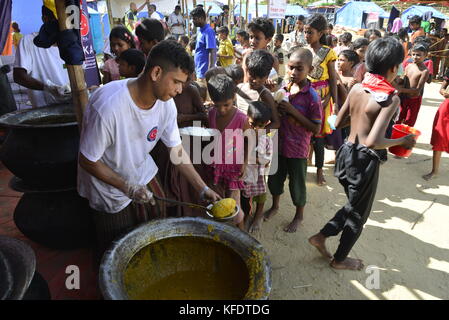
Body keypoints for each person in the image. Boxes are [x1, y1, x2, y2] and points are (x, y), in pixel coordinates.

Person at [78, 40, 220, 256]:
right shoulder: (108, 107)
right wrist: (127, 187)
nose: (180, 90)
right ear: (156, 73)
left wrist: (202, 188)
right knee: (118, 247)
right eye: (176, 82)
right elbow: (87, 160)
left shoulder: (166, 105)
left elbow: (176, 150)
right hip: (108, 187)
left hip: (141, 171)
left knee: (155, 223)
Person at [309, 37, 416, 270]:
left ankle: (322, 236)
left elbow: (337, 121)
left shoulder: (358, 87)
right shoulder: (390, 98)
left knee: (353, 205)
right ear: (392, 68)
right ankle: (339, 259)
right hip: (364, 162)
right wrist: (404, 139)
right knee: (359, 215)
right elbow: (373, 140)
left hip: (345, 155)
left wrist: (358, 119)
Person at [265, 48, 322, 232]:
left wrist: (292, 111)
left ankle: (299, 215)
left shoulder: (312, 97)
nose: (294, 73)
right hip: (279, 143)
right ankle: (275, 206)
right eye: (291, 68)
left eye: (299, 69)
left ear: (310, 70)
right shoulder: (284, 90)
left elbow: (316, 128)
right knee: (274, 178)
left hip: (298, 148)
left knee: (297, 183)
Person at [207, 74, 249, 229]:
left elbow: (250, 140)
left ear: (234, 97)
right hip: (215, 166)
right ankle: (224, 232)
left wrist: (244, 162)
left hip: (234, 169)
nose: (222, 110)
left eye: (226, 105)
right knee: (218, 203)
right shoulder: (211, 114)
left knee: (234, 206)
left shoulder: (241, 118)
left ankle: (241, 235)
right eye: (217, 105)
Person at [304, 14, 339, 186]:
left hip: (323, 96)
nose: (307, 36)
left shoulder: (328, 52)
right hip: (306, 95)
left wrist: (333, 100)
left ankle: (319, 171)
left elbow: (333, 78)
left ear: (320, 33)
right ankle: (305, 163)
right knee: (305, 132)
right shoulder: (304, 51)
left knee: (318, 136)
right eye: (305, 32)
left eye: (310, 32)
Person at [13, 5, 70, 108]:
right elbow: (18, 76)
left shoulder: (71, 42)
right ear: (45, 19)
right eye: (58, 21)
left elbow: (81, 70)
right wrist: (48, 88)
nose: (63, 26)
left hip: (72, 106)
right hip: (45, 111)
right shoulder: (29, 41)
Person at [242, 101, 273, 233]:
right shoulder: (241, 135)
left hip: (259, 174)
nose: (255, 128)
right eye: (252, 124)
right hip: (244, 174)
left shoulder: (266, 140)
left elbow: (266, 161)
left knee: (260, 194)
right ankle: (246, 216)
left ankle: (258, 215)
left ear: (266, 124)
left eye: (260, 126)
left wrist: (250, 159)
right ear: (246, 119)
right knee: (245, 197)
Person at [236, 49, 280, 130]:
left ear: (267, 76)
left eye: (260, 77)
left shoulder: (265, 95)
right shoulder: (239, 88)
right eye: (252, 75)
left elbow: (276, 123)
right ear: (247, 71)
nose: (255, 81)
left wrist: (256, 135)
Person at [423, 69, 449, 180]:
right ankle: (434, 171)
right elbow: (442, 88)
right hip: (447, 109)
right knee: (439, 137)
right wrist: (444, 91)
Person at [396, 42, 430, 127]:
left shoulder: (424, 71)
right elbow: (403, 80)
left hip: (413, 100)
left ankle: (405, 139)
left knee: (409, 122)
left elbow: (417, 90)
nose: (415, 57)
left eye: (418, 55)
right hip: (403, 98)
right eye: (413, 54)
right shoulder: (409, 66)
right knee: (398, 119)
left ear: (425, 55)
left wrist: (401, 90)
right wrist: (396, 80)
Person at [190, 6, 217, 85]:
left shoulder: (208, 31)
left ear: (201, 18)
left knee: (206, 96)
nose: (193, 21)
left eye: (194, 19)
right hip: (199, 70)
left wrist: (210, 70)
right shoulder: (200, 30)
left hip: (204, 73)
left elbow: (212, 51)